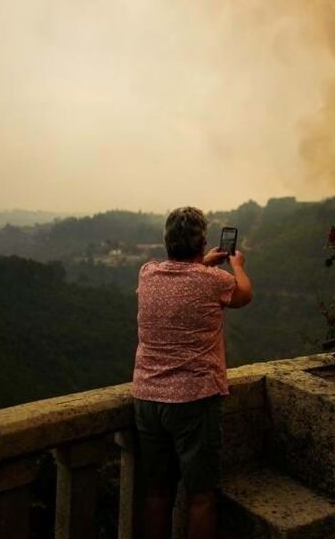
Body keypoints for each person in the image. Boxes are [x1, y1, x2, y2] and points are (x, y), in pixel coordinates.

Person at [131, 206, 253, 539]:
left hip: (146, 399)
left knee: (157, 493)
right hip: (194, 400)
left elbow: (182, 275)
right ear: (201, 243)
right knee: (201, 496)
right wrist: (237, 265)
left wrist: (202, 263)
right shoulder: (214, 281)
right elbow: (244, 294)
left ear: (167, 241)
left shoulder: (148, 273)